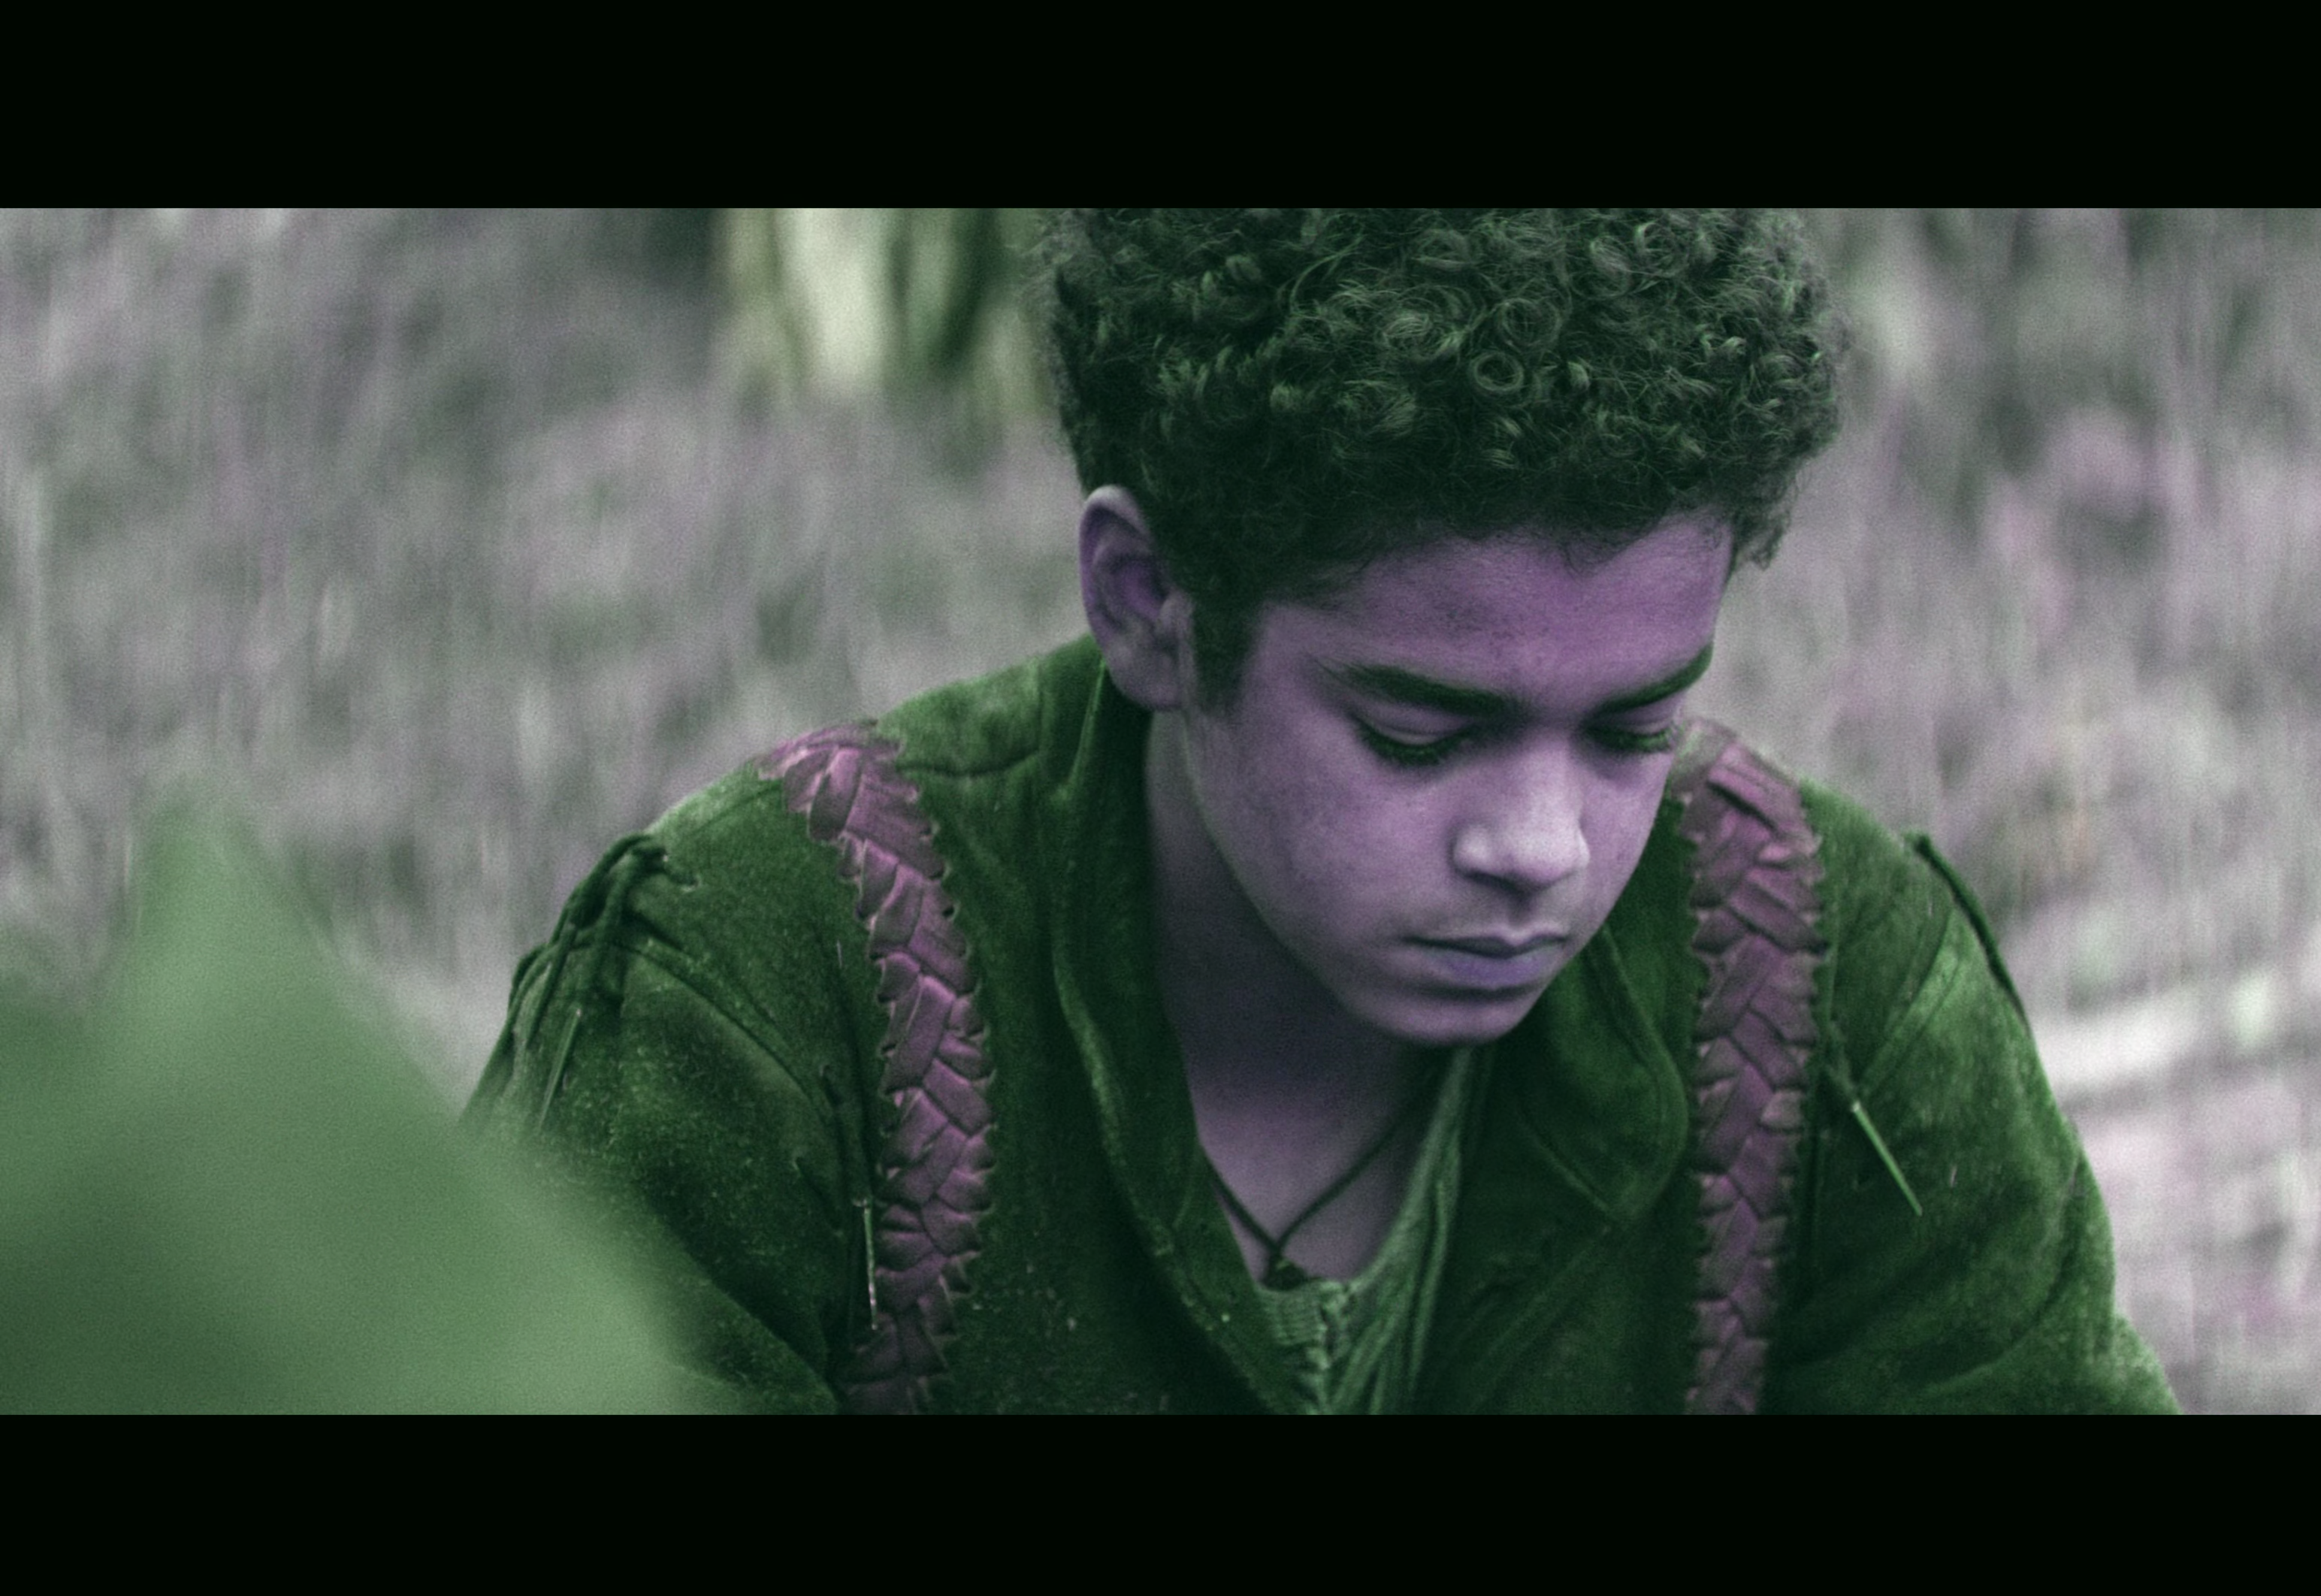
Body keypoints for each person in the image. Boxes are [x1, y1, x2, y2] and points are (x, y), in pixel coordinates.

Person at [466, 210, 2177, 1413]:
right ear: (1149, 605)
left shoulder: (1829, 999)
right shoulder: (768, 997)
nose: (1542, 847)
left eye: (1634, 727)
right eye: (1420, 731)